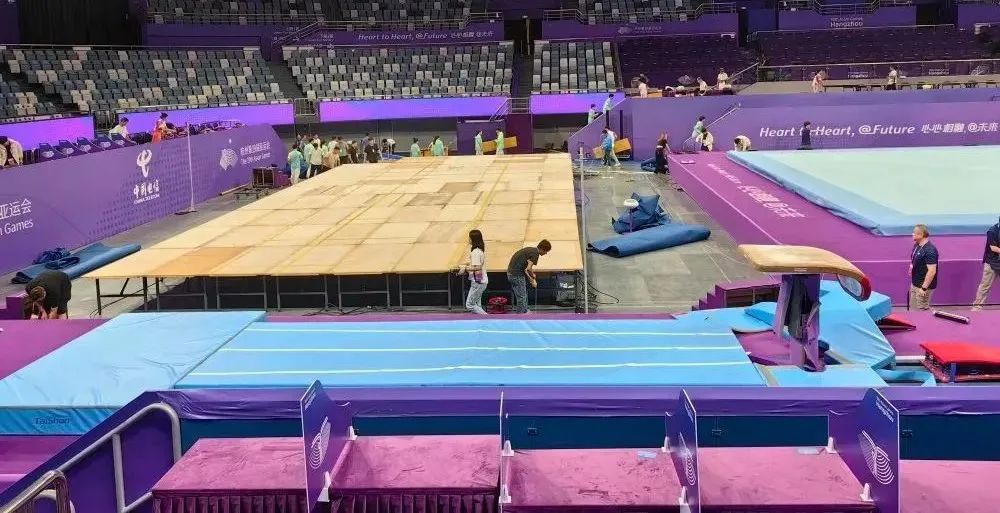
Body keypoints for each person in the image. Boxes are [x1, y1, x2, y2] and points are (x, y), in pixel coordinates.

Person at [506, 240, 551, 314]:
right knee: (522, 297)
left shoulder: (530, 250)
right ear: (542, 249)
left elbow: (525, 269)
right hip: (516, 275)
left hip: (511, 274)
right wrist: (533, 276)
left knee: (522, 295)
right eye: (546, 251)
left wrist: (531, 278)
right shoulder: (535, 253)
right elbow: (529, 269)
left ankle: (525, 311)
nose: (546, 253)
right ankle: (520, 315)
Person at [909, 224, 938, 310]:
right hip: (915, 283)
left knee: (921, 311)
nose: (912, 234)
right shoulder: (917, 245)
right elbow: (915, 258)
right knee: (913, 309)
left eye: (914, 233)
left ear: (921, 235)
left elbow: (932, 271)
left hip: (923, 287)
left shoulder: (930, 250)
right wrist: (912, 266)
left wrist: (924, 288)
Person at [459, 229, 488, 315]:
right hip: (480, 282)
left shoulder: (475, 252)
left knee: (470, 305)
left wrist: (465, 269)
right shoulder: (479, 251)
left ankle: (488, 318)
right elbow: (475, 264)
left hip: (478, 282)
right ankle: (483, 321)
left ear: (473, 239)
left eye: (469, 237)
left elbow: (477, 267)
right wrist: (466, 264)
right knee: (477, 305)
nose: (468, 239)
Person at [973, 216, 1000, 310]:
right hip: (992, 263)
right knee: (985, 286)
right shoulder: (992, 231)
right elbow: (993, 248)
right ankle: (976, 308)